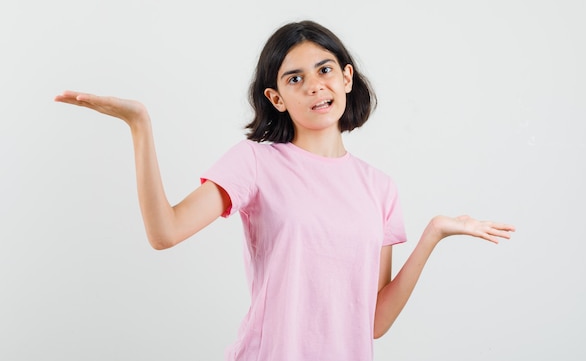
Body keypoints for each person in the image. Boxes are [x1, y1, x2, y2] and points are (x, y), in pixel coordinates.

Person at [55, 20, 515, 361]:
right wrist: (140, 125)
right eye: (295, 79)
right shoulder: (256, 162)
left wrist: (433, 233)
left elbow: (371, 322)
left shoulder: (379, 188)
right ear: (277, 98)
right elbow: (165, 232)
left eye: (325, 69)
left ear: (347, 78)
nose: (315, 86)